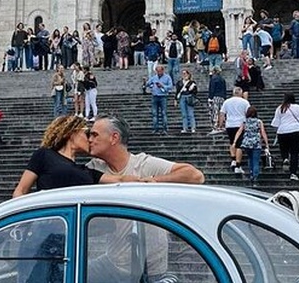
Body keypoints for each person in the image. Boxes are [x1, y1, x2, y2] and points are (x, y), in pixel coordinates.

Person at [85, 115, 204, 283]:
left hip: (152, 268)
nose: (89, 140)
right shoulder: (94, 168)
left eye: (94, 135)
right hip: (113, 263)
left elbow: (195, 175)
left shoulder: (143, 164)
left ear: (114, 138)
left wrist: (155, 180)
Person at [12, 115, 138, 198]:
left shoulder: (87, 171)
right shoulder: (44, 155)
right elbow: (21, 190)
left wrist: (152, 180)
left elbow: (120, 180)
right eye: (87, 133)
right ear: (72, 133)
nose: (90, 139)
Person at [271, 93, 299, 181]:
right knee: (294, 153)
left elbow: (275, 123)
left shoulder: (280, 108)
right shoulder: (298, 108)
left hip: (282, 131)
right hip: (296, 131)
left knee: (284, 149)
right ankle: (293, 173)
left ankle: (285, 158)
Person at [233, 107, 270, 182]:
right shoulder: (259, 122)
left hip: (247, 143)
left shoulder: (245, 122)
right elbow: (263, 132)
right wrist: (266, 143)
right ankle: (255, 175)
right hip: (256, 143)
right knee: (255, 160)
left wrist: (235, 141)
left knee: (250, 158)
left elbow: (239, 131)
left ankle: (251, 172)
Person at [219, 87, 249, 174]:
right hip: (240, 124)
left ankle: (233, 159)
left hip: (230, 124)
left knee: (232, 142)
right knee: (239, 144)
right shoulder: (245, 102)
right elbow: (249, 113)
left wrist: (220, 124)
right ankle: (238, 165)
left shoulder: (227, 102)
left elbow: (222, 113)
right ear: (241, 93)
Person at [146, 65, 174, 135]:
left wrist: (163, 86)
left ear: (163, 70)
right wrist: (148, 83)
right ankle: (155, 129)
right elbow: (147, 84)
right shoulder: (154, 77)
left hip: (163, 97)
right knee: (155, 114)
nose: (159, 72)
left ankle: (165, 128)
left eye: (160, 71)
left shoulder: (167, 77)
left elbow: (171, 86)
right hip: (154, 96)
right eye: (157, 71)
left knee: (164, 113)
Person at [176, 69, 198, 133]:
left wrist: (191, 90)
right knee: (184, 114)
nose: (184, 75)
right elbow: (177, 91)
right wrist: (175, 99)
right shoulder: (179, 82)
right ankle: (185, 128)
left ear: (188, 75)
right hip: (182, 97)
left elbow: (195, 92)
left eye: (185, 73)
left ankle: (193, 127)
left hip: (189, 97)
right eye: (183, 73)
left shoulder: (192, 83)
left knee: (190, 113)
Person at [207, 66, 226, 135]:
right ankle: (222, 125)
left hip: (215, 96)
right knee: (222, 112)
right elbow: (224, 89)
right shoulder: (222, 79)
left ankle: (215, 126)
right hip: (222, 97)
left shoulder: (213, 79)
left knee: (214, 112)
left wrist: (210, 97)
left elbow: (212, 89)